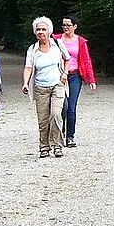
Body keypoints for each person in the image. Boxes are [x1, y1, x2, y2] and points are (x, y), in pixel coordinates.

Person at [21, 16, 69, 157]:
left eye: (43, 29)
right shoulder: (33, 49)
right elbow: (28, 67)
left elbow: (67, 59)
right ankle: (44, 147)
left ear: (49, 31)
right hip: (41, 87)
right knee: (43, 120)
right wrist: (25, 82)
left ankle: (58, 146)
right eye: (38, 29)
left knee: (55, 115)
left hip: (57, 85)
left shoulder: (58, 45)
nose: (41, 32)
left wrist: (65, 73)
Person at [56, 16, 98, 148]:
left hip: (75, 76)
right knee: (63, 106)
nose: (65, 28)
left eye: (68, 25)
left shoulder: (80, 42)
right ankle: (59, 132)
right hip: (59, 76)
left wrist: (91, 79)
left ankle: (70, 137)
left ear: (75, 27)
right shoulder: (56, 40)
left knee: (71, 108)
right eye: (63, 25)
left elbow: (86, 61)